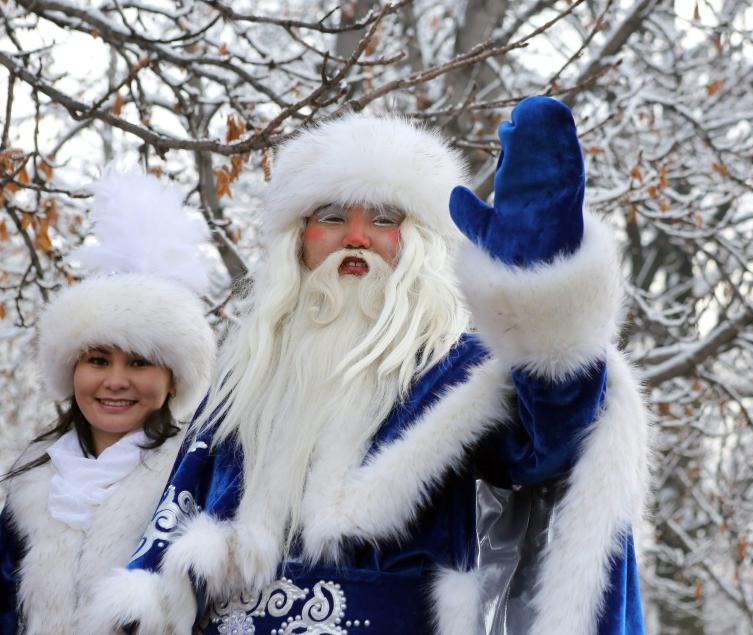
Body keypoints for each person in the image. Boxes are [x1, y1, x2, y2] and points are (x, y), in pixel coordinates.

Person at [96, 96, 650, 635]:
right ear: (300, 240)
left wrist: (542, 292)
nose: (356, 237)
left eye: (384, 219)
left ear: (418, 243)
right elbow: (175, 523)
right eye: (333, 217)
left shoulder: (465, 371)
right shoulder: (248, 380)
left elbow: (556, 440)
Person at [0, 172, 216, 635]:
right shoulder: (33, 479)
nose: (115, 382)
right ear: (71, 369)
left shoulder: (197, 476)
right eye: (98, 359)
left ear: (173, 379)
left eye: (140, 363)